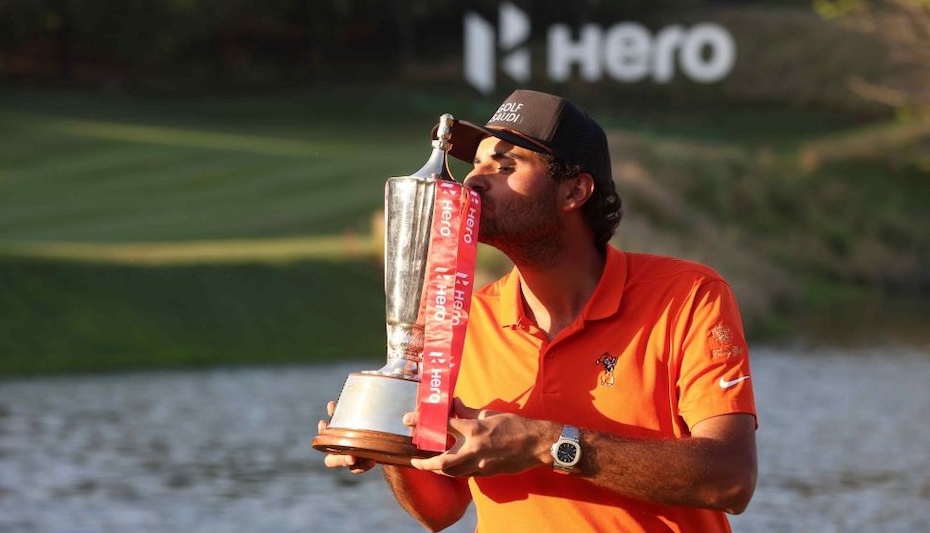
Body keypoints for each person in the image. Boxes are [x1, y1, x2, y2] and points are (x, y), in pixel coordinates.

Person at [319, 89, 758, 532]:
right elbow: (440, 510)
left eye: (505, 167)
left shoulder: (687, 294)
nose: (473, 182)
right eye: (478, 166)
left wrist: (546, 443)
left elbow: (730, 479)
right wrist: (392, 440)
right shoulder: (462, 317)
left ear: (574, 191)